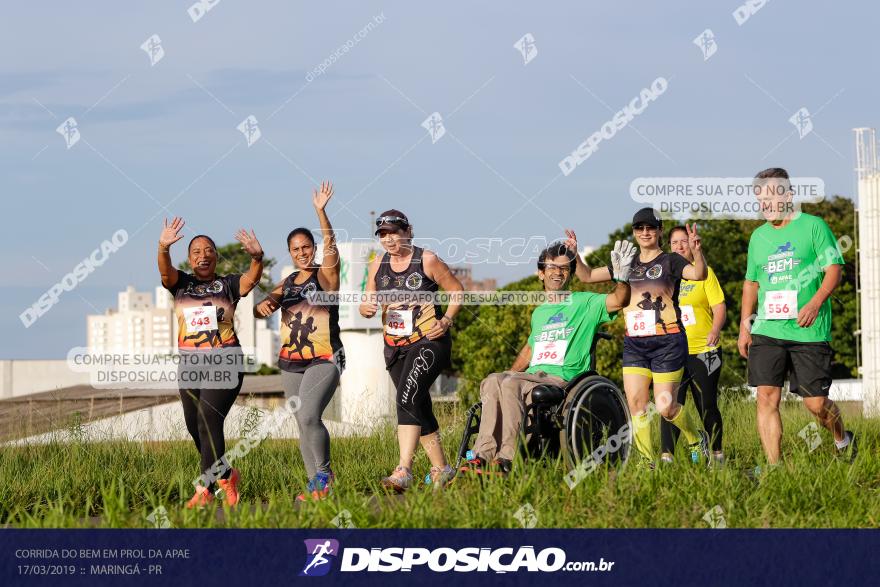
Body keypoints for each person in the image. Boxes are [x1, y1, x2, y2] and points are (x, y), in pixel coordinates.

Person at [462, 239, 633, 475]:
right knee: (493, 380)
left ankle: (506, 459)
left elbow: (619, 300)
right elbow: (530, 348)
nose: (558, 273)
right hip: (534, 376)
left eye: (564, 268)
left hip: (564, 377)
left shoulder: (585, 302)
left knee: (512, 384)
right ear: (541, 274)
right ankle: (482, 456)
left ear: (570, 274)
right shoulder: (540, 312)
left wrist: (622, 279)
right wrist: (509, 373)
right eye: (552, 268)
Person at [738, 167, 856, 469]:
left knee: (815, 403)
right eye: (760, 200)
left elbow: (833, 270)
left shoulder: (813, 226)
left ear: (788, 196)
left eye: (770, 198)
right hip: (767, 327)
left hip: (808, 329)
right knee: (766, 397)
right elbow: (752, 283)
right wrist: (744, 325)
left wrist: (816, 303)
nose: (765, 205)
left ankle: (842, 440)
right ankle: (774, 469)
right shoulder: (758, 237)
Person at [575, 209, 710, 466]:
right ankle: (648, 463)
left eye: (650, 228)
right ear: (635, 231)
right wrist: (576, 254)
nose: (645, 232)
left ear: (660, 230)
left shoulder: (671, 261)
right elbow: (587, 276)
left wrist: (696, 251)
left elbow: (699, 274)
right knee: (637, 404)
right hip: (635, 343)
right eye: (639, 228)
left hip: (668, 342)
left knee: (665, 408)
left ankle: (696, 438)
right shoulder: (626, 263)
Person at [158, 217, 264, 508]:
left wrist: (257, 257)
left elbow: (250, 280)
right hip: (190, 363)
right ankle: (227, 474)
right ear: (189, 259)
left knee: (208, 419)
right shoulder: (181, 284)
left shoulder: (226, 284)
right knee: (195, 426)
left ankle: (205, 489)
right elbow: (165, 274)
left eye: (208, 251)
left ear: (216, 257)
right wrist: (163, 247)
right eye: (196, 252)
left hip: (225, 359)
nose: (202, 256)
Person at [359, 210, 464, 492]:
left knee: (406, 398)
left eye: (394, 232)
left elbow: (457, 291)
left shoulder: (426, 259)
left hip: (429, 341)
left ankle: (404, 470)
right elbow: (368, 299)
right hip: (394, 347)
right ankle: (443, 469)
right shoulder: (377, 264)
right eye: (383, 234)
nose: (389, 239)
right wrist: (365, 308)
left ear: (408, 231)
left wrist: (447, 320)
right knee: (417, 403)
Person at [254, 181, 345, 501]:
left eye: (307, 246)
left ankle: (325, 475)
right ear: (290, 253)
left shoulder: (327, 274)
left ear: (313, 248)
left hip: (325, 356)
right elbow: (260, 307)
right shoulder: (288, 281)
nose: (302, 252)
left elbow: (331, 246)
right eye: (296, 249)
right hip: (291, 361)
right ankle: (315, 486)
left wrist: (321, 212)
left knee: (309, 415)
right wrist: (261, 306)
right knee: (301, 422)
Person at [658, 225, 726, 465]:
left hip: (705, 351)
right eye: (674, 243)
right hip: (674, 351)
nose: (679, 246)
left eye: (683, 241)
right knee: (669, 403)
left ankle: (717, 455)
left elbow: (719, 307)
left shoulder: (705, 273)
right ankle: (666, 457)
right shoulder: (666, 277)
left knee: (706, 403)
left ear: (692, 243)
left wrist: (715, 330)